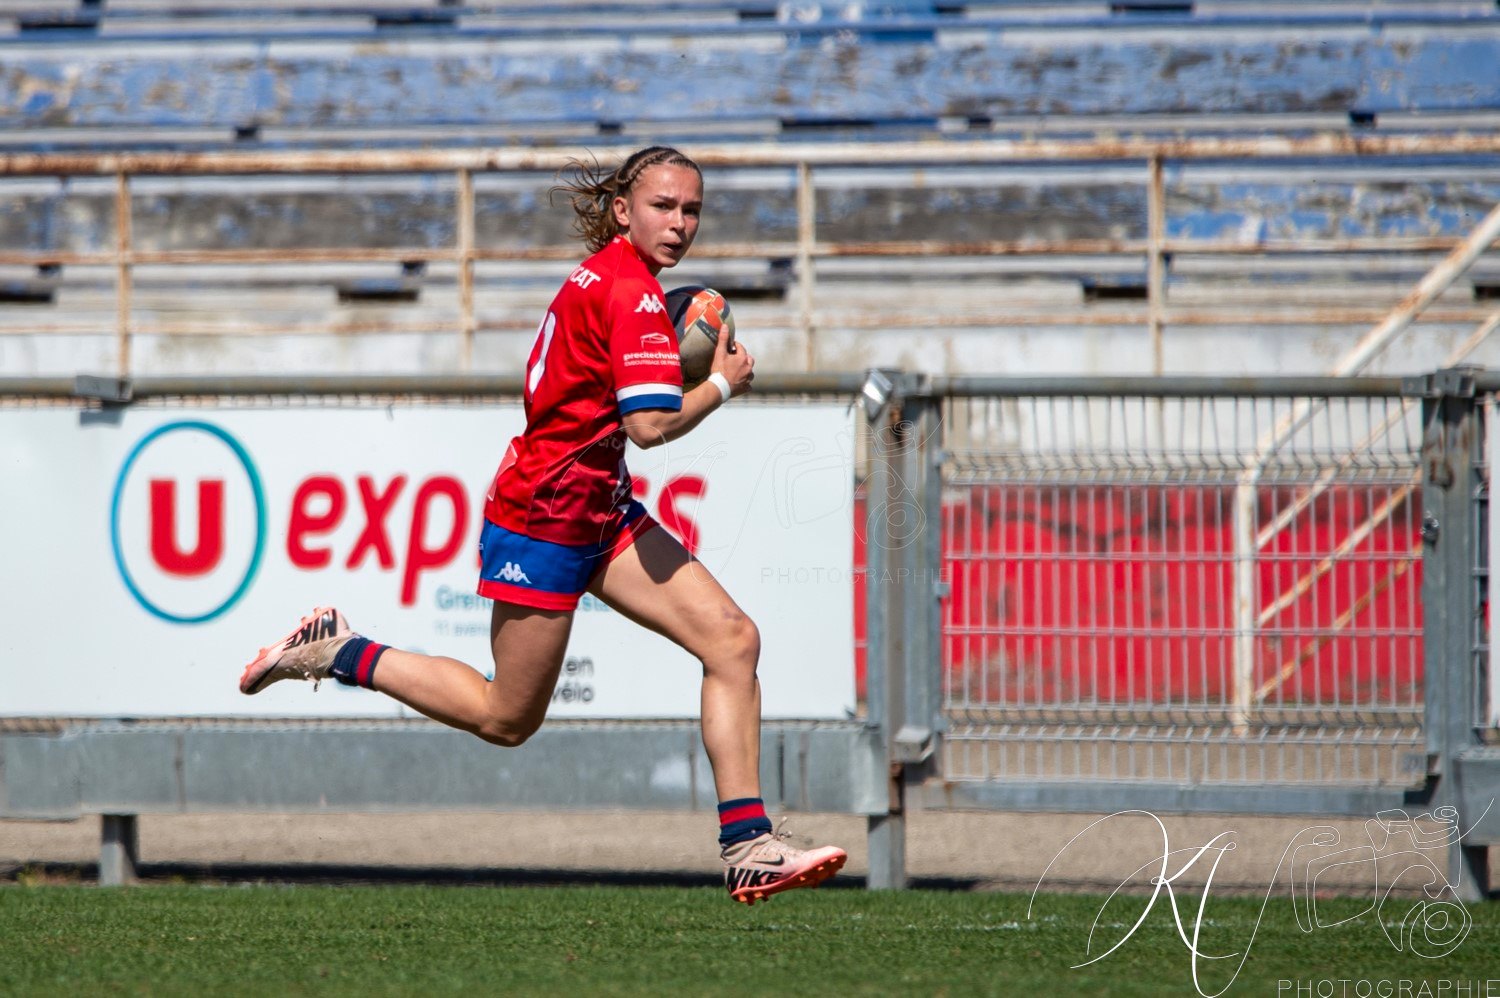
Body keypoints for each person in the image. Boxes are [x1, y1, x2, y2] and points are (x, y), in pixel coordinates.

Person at [238, 145, 847, 905]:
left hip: (597, 505)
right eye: (664, 206)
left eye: (692, 210)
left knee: (731, 639)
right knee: (506, 718)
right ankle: (337, 649)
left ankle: (748, 846)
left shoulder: (617, 280)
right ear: (624, 211)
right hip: (547, 513)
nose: (681, 223)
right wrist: (723, 381)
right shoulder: (629, 292)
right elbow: (653, 427)